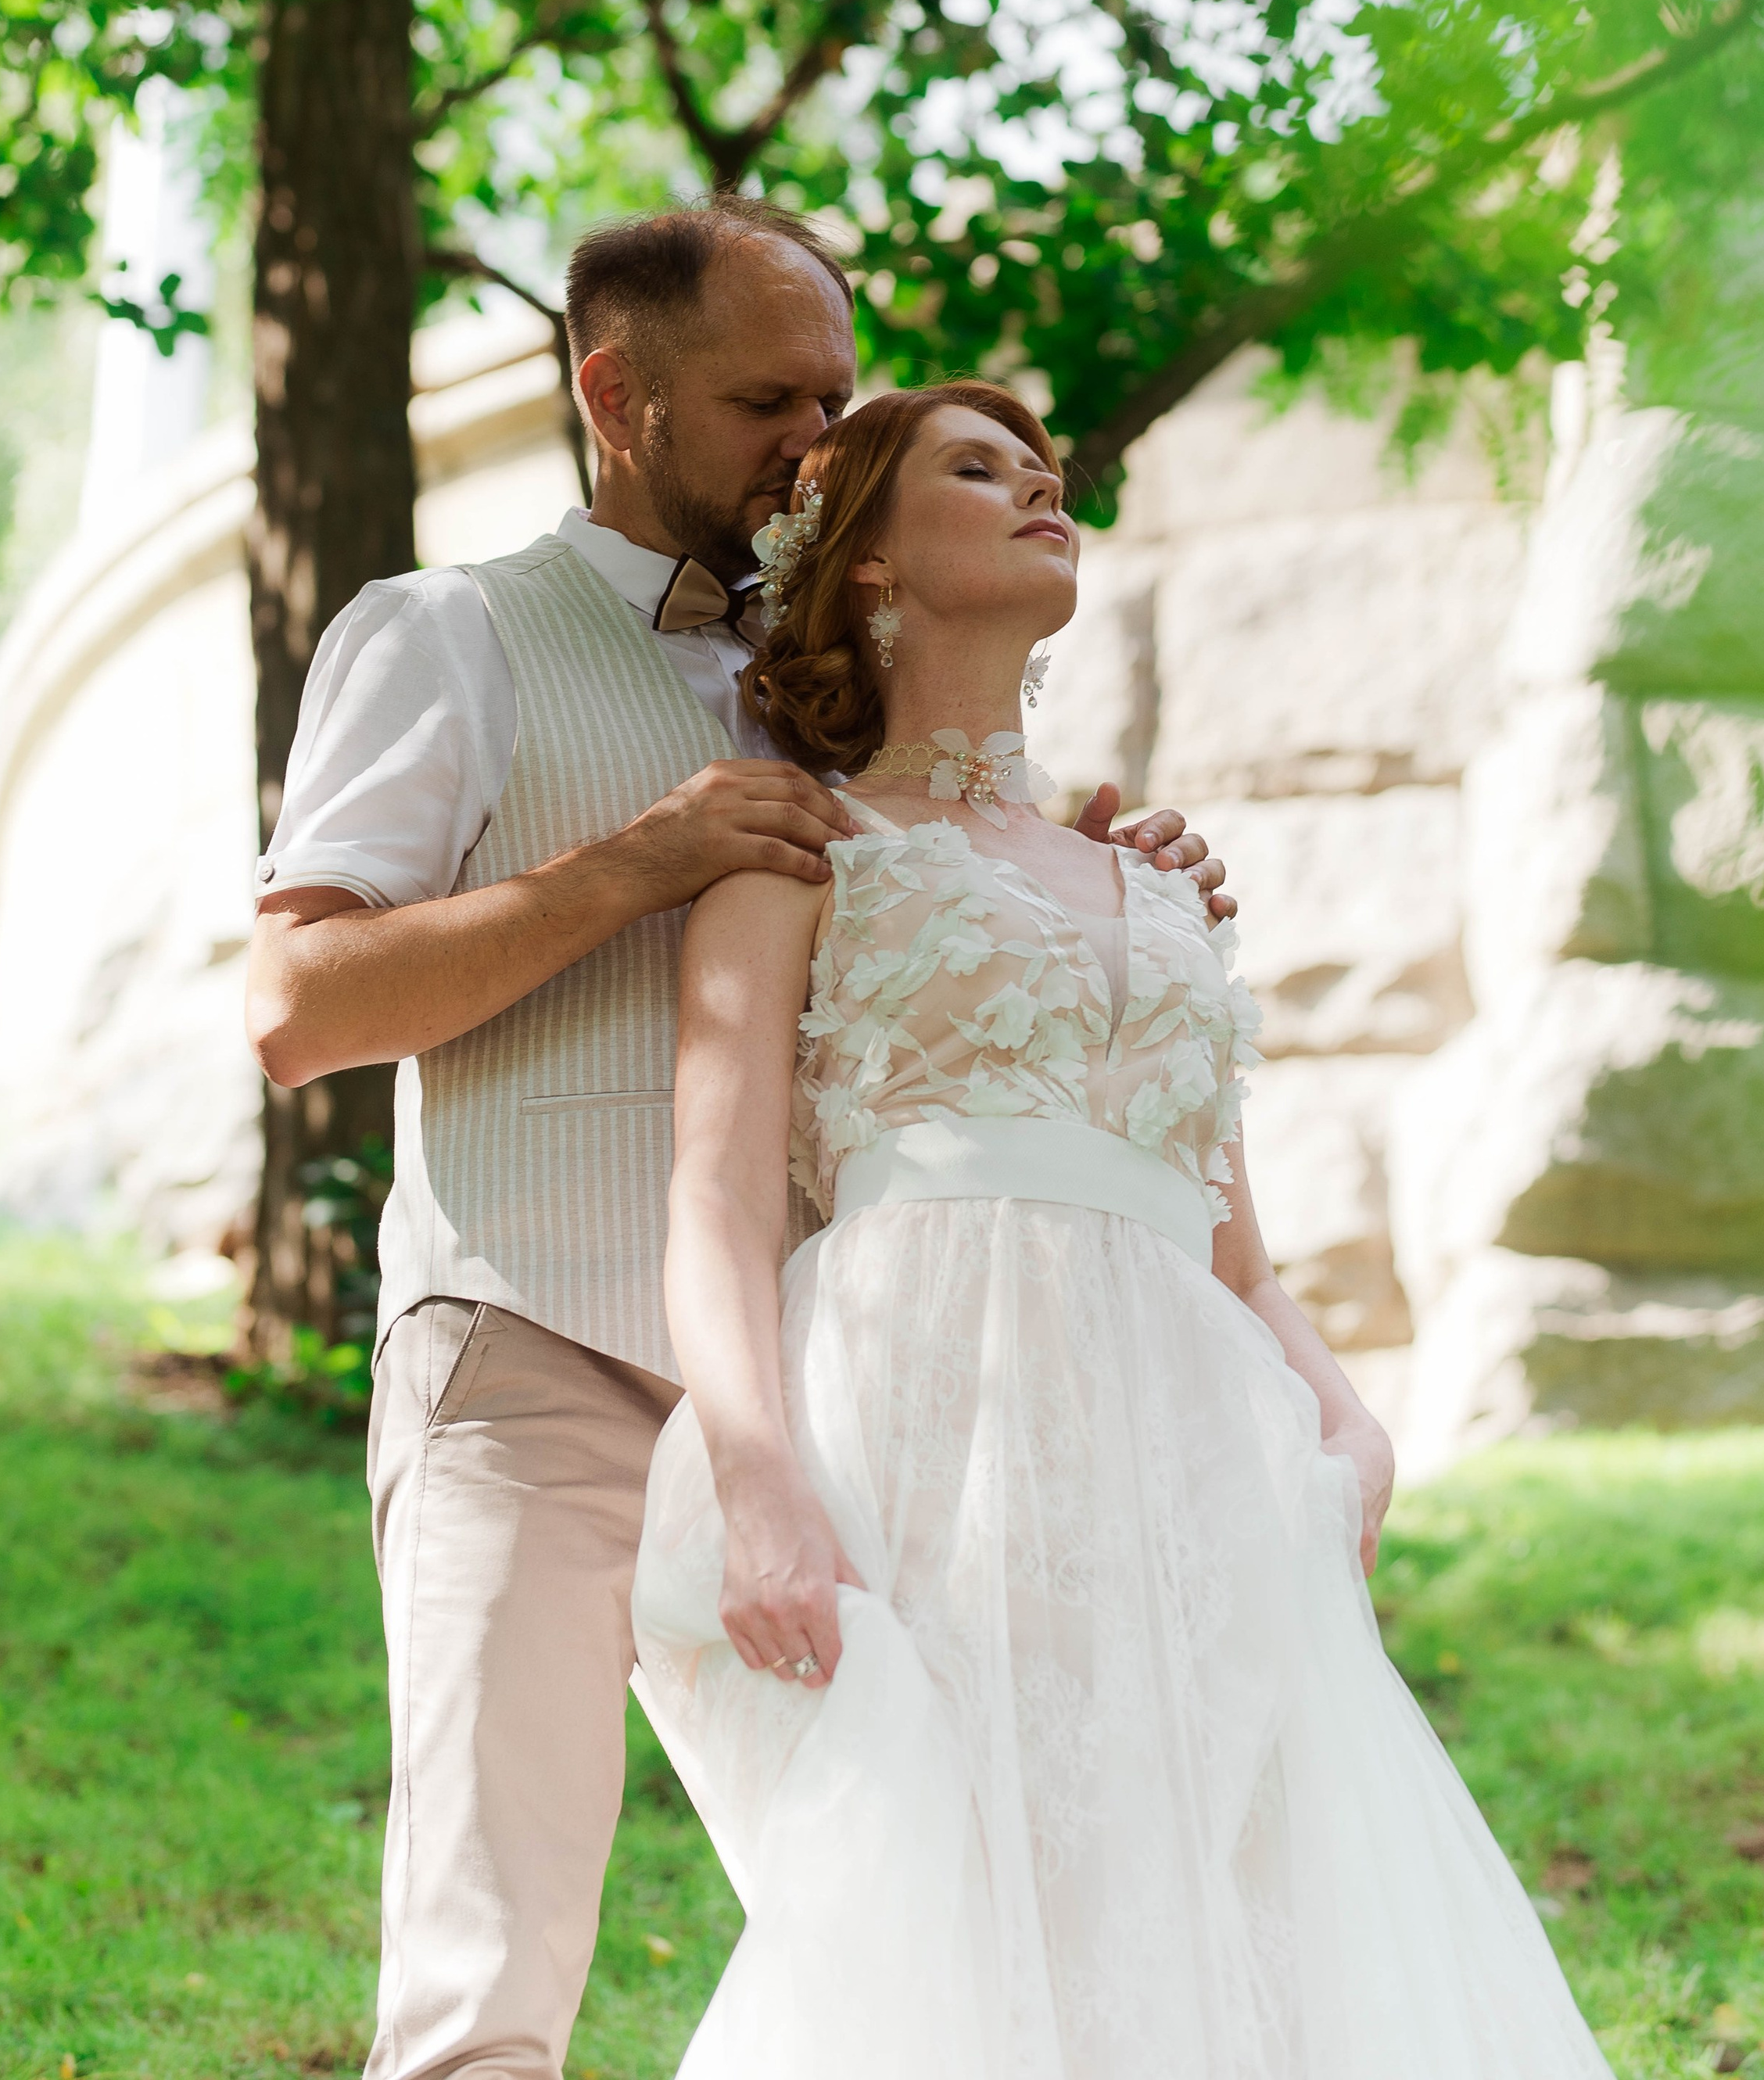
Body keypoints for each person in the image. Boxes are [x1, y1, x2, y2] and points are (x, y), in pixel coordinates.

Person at [243, 200, 1234, 2080]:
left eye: (834, 397)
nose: (814, 442)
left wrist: (1117, 872)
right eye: (766, 400)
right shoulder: (447, 634)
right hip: (532, 1370)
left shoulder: (852, 645)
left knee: (927, 1945)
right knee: (488, 1976)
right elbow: (300, 1007)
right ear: (615, 394)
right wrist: (635, 863)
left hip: (837, 1406)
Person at [633, 378, 1617, 2080]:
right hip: (937, 1420)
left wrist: (1339, 1404)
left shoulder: (1158, 881)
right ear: (866, 561)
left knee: (1216, 1902)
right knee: (962, 1912)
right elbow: (714, 1198)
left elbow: (1229, 1243)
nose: (1037, 487)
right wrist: (753, 1470)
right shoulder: (799, 851)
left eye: (1045, 470)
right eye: (976, 468)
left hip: (1182, 1449)